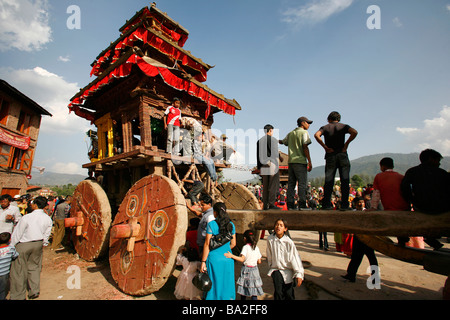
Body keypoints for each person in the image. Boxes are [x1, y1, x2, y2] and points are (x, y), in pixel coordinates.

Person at [400, 149, 450, 250]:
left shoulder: (412, 172)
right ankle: (431, 238)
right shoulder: (442, 173)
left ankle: (429, 238)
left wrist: (412, 201)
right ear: (431, 159)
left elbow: (404, 189)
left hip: (421, 207)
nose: (439, 163)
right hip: (442, 209)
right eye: (437, 160)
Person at [369, 157, 421, 246]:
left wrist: (373, 208)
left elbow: (376, 195)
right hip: (404, 207)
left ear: (382, 166)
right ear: (392, 165)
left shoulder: (379, 176)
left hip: (390, 208)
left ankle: (401, 240)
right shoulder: (401, 176)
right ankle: (403, 239)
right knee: (401, 227)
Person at [9, 196, 53, 300]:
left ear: (35, 205)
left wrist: (11, 246)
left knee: (19, 270)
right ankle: (34, 290)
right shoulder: (47, 218)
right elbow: (47, 233)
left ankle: (18, 295)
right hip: (38, 244)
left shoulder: (27, 217)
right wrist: (44, 243)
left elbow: (17, 233)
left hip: (24, 244)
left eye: (33, 204)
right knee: (35, 267)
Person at [314, 111, 358, 210]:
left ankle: (326, 205)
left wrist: (325, 147)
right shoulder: (343, 126)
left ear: (329, 119)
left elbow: (316, 135)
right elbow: (354, 132)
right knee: (345, 181)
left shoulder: (325, 127)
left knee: (329, 181)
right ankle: (345, 205)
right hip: (342, 154)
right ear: (338, 119)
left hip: (330, 155)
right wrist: (346, 144)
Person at [200, 202, 236, 300]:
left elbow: (207, 244)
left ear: (215, 213)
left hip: (214, 259)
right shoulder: (231, 225)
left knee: (214, 284)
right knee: (226, 283)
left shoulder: (211, 224)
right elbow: (233, 244)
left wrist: (203, 262)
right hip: (227, 258)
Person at [341, 197, 379, 283]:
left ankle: (375, 278)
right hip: (357, 239)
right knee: (355, 258)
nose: (360, 204)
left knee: (372, 258)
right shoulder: (353, 213)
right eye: (359, 202)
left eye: (362, 202)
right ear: (355, 204)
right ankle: (351, 275)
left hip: (368, 239)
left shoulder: (368, 212)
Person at [279, 116, 313, 210]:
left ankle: (290, 205)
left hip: (291, 162)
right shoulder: (304, 132)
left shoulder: (291, 133)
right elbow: (305, 146)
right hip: (300, 161)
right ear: (302, 123)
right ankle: (302, 204)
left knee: (291, 184)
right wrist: (309, 161)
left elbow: (283, 142)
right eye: (307, 122)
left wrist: (274, 140)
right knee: (302, 184)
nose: (308, 124)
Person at [266, 218, 304, 300]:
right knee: (278, 292)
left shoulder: (288, 242)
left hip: (287, 270)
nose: (278, 227)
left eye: (281, 225)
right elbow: (269, 254)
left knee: (288, 293)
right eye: (277, 225)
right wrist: (271, 265)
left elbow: (294, 257)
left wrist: (299, 273)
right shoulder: (270, 239)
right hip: (276, 269)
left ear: (285, 229)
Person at [224, 230, 263, 300]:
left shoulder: (245, 247)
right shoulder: (256, 248)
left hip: (246, 270)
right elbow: (259, 261)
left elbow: (242, 259)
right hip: (255, 270)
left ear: (245, 239)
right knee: (254, 290)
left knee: (244, 289)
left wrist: (231, 256)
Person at [257, 124, 282, 210]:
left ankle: (265, 205)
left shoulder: (259, 141)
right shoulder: (273, 140)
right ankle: (271, 204)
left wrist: (259, 167)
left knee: (266, 186)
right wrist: (280, 157)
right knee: (273, 185)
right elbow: (274, 152)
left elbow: (258, 155)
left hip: (263, 165)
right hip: (272, 163)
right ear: (270, 130)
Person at [0, 232, 19, 300]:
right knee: (2, 289)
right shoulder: (11, 248)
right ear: (9, 240)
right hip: (4, 273)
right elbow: (15, 255)